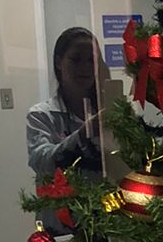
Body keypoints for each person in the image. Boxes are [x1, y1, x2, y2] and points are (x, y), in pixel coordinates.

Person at [26, 27, 106, 178]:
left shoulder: (109, 111)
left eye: (92, 60)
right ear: (58, 62)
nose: (85, 67)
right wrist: (81, 136)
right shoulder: (41, 114)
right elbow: (41, 162)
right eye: (76, 59)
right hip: (64, 193)